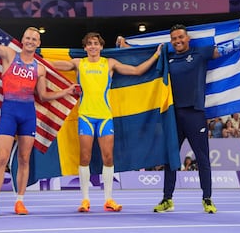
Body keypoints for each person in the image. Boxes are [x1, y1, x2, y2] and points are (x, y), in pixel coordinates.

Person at [120, 11, 240, 214]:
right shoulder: (167, 56)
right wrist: (125, 45)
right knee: (170, 158)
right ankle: (167, 199)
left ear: (187, 39)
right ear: (171, 41)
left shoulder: (201, 53)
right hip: (172, 116)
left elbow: (230, 47)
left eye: (181, 37)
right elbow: (144, 55)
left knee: (202, 158)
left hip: (194, 114)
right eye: (174, 38)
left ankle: (207, 199)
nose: (178, 40)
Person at [0, 1, 78, 217]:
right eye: (27, 38)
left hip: (28, 114)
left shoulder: (40, 68)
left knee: (24, 159)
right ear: (22, 40)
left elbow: (44, 96)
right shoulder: (9, 55)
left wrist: (67, 91)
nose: (30, 41)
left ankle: (20, 201)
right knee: (2, 158)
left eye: (34, 39)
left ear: (38, 42)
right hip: (9, 111)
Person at [50, 32, 161, 213]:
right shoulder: (79, 63)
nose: (93, 46)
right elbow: (53, 65)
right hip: (85, 116)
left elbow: (137, 70)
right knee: (84, 158)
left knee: (108, 158)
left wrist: (156, 55)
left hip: (104, 117)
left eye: (96, 43)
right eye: (89, 44)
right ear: (85, 48)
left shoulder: (109, 63)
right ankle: (85, 199)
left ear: (101, 47)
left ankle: (109, 199)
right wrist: (33, 59)